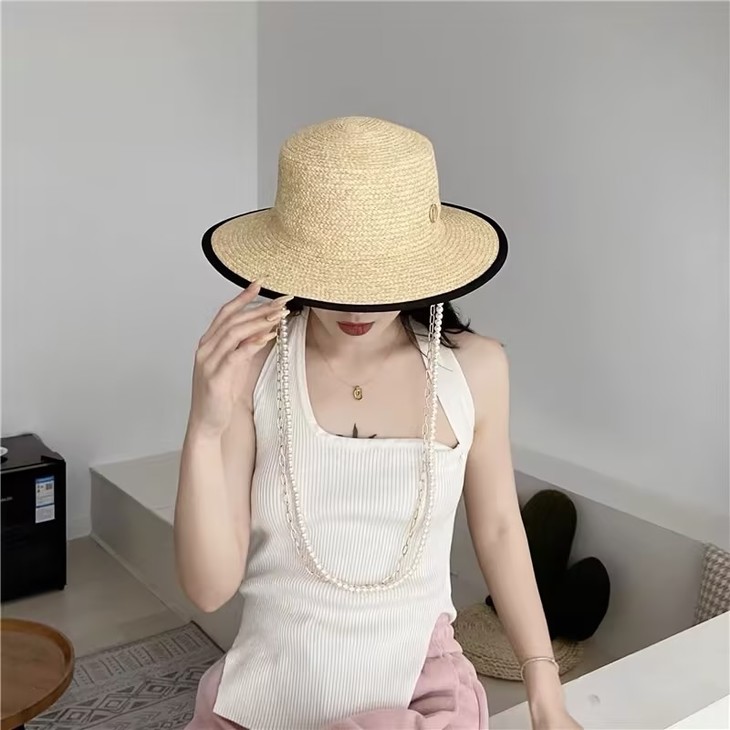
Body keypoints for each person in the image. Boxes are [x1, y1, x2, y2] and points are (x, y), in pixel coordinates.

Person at [175, 116, 582, 730]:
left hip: (417, 695)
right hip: (267, 692)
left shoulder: (476, 370)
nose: (355, 305)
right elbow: (209, 591)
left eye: (377, 279)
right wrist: (204, 430)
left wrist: (544, 691)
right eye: (333, 277)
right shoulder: (253, 367)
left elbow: (500, 528)